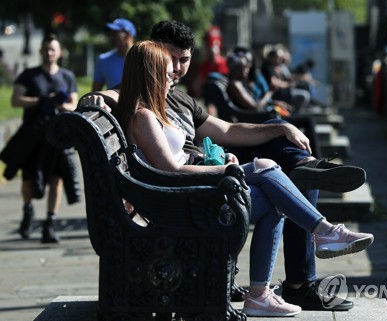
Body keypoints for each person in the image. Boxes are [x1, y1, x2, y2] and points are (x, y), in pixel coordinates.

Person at [79, 20, 367, 312]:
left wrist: (281, 127)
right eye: (170, 63)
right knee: (279, 181)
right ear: (154, 61)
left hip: (202, 173)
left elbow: (227, 131)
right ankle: (317, 233)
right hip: (191, 189)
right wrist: (96, 98)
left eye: (184, 60)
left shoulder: (177, 98)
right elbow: (122, 96)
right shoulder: (142, 106)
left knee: (278, 145)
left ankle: (306, 171)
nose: (177, 71)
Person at [0, 33, 80, 243]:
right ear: (41, 51)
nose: (49, 52)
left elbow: (74, 104)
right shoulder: (29, 75)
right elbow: (16, 100)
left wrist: (61, 105)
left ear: (59, 52)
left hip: (57, 137)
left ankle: (50, 222)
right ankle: (28, 211)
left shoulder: (67, 76)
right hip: (32, 136)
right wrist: (39, 101)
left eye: (53, 49)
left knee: (57, 178)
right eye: (46, 48)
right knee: (28, 177)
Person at [91, 18, 136, 91]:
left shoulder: (143, 58)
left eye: (115, 34)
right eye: (111, 33)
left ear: (128, 35)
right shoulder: (103, 60)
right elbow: (95, 91)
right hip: (114, 102)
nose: (111, 37)